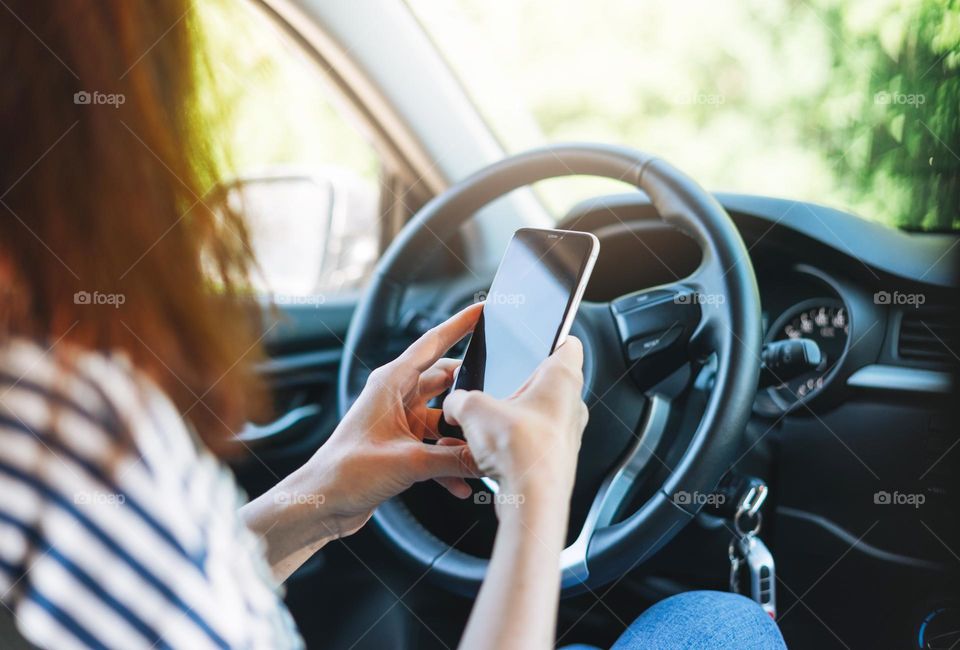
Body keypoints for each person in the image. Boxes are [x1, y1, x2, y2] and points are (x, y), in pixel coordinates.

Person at [0, 2, 786, 648]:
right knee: (719, 625)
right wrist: (537, 491)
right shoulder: (61, 423)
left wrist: (322, 495)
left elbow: (154, 596)